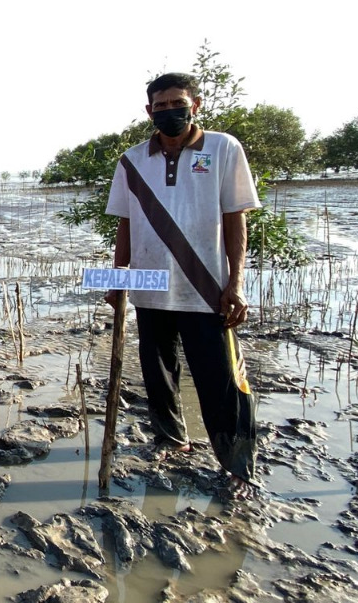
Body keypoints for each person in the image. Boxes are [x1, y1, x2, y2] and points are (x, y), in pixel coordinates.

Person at [104, 71, 260, 498]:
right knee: (158, 373)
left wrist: (236, 283)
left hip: (207, 289)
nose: (170, 111)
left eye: (178, 103)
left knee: (222, 380)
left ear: (197, 104)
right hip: (151, 287)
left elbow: (235, 217)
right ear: (149, 111)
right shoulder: (132, 160)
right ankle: (171, 439)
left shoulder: (223, 148)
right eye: (161, 106)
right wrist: (118, 280)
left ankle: (237, 465)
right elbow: (125, 224)